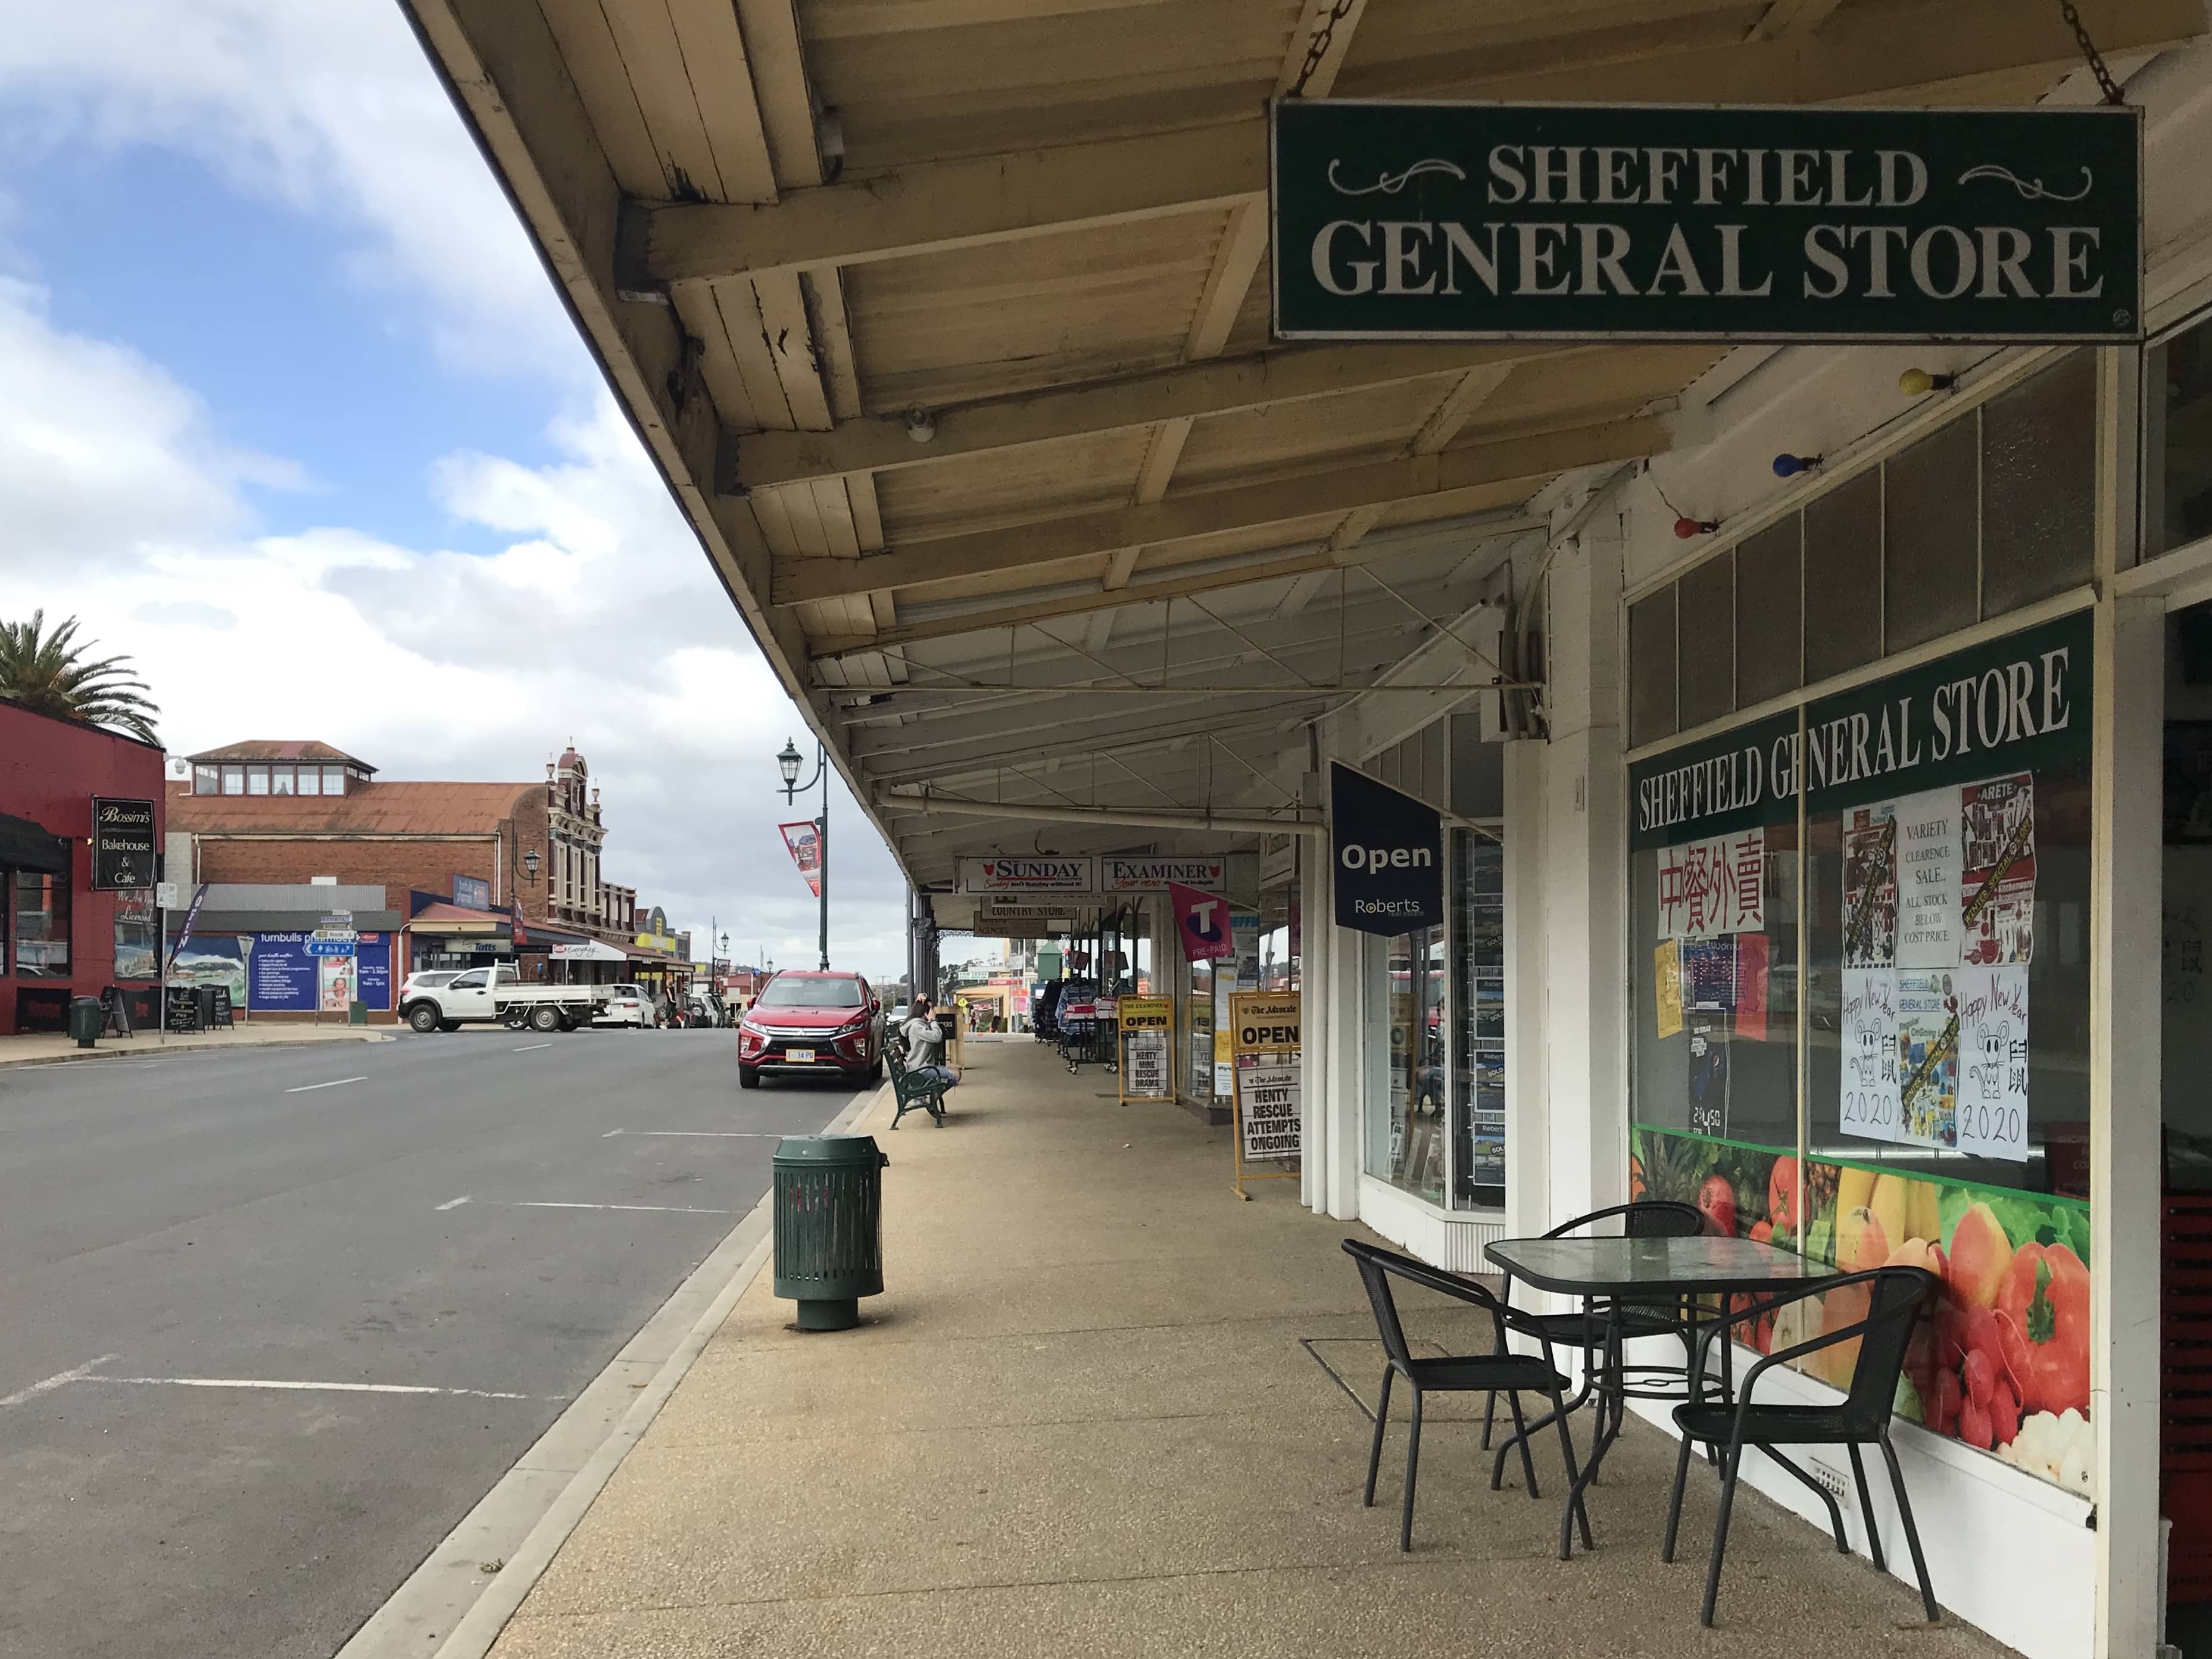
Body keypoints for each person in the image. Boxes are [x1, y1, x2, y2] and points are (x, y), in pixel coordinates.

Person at [900, 994, 959, 1092]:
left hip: (921, 1066)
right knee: (956, 1075)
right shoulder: (917, 1027)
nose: (934, 1012)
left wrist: (923, 995)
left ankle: (931, 1099)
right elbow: (937, 1037)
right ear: (925, 1012)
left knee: (954, 1072)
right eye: (932, 1010)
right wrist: (933, 1021)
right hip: (921, 1069)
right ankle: (933, 1099)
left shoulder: (920, 1025)